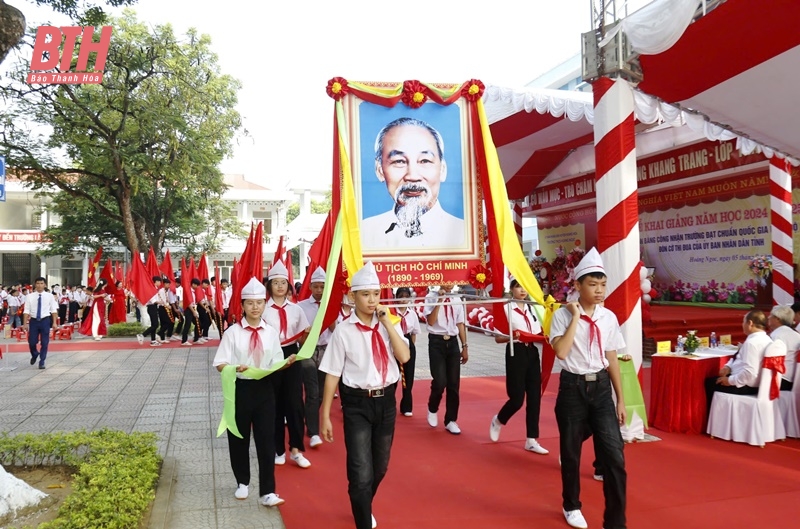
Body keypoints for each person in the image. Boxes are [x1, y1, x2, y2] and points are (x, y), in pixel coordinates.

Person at [320, 261, 410, 529]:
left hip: (386, 402)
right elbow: (333, 373)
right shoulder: (344, 331)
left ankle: (363, 503)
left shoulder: (388, 324)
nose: (372, 300)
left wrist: (388, 323)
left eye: (376, 294)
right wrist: (324, 414)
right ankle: (362, 516)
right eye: (365, 294)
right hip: (357, 403)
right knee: (360, 472)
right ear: (353, 297)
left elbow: (404, 356)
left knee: (379, 467)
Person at [549, 248, 627, 529]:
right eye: (592, 285)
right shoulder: (561, 315)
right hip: (573, 388)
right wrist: (574, 317)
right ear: (578, 285)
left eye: (603, 284)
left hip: (602, 387)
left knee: (614, 455)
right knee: (571, 453)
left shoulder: (609, 318)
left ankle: (616, 521)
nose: (599, 290)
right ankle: (571, 505)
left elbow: (613, 358)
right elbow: (561, 351)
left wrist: (621, 400)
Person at [212, 276, 295, 507]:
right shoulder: (232, 333)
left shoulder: (270, 332)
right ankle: (242, 482)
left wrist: (285, 363)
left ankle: (268, 491)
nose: (255, 307)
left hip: (265, 389)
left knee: (266, 440)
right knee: (238, 437)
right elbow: (219, 363)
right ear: (242, 306)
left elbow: (276, 361)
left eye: (259, 302)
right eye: (250, 303)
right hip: (240, 388)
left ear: (264, 304)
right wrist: (233, 367)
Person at [361, 117, 465, 250]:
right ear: (379, 170)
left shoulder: (467, 233)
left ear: (442, 170)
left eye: (425, 161)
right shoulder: (362, 234)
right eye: (399, 161)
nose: (413, 176)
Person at [489, 278, 549, 454]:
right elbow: (497, 337)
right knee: (516, 399)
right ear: (512, 289)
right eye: (518, 287)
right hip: (516, 352)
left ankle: (531, 439)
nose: (523, 290)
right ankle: (499, 420)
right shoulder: (507, 309)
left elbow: (538, 332)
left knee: (534, 397)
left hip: (532, 352)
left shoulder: (532, 308)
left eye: (525, 286)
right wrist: (513, 336)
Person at [264, 260, 312, 468]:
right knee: (274, 405)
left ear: (289, 285)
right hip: (271, 357)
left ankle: (295, 449)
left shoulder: (296, 310)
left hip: (292, 355)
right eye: (276, 283)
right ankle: (278, 449)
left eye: (284, 282)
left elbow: (302, 338)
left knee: (294, 404)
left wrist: (308, 337)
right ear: (270, 286)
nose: (280, 286)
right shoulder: (263, 310)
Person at [705, 310, 773, 415]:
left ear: (750, 323)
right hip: (757, 383)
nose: (742, 325)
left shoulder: (752, 343)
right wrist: (728, 367)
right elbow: (738, 356)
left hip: (747, 385)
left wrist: (730, 380)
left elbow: (750, 373)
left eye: (743, 322)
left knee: (709, 383)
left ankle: (712, 418)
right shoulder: (767, 339)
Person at [424, 283, 468, 434]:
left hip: (453, 342)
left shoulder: (457, 299)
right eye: (446, 282)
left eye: (452, 282)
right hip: (436, 341)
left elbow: (460, 324)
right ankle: (432, 407)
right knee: (440, 380)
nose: (449, 285)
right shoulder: (430, 297)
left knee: (454, 383)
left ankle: (451, 420)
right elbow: (430, 321)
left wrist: (465, 346)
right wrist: (440, 300)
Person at [297, 266, 332, 448]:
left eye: (323, 287)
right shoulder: (301, 307)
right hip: (307, 350)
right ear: (310, 287)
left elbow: (337, 330)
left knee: (320, 394)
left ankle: (306, 416)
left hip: (326, 350)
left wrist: (331, 315)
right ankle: (313, 432)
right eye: (316, 287)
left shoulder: (331, 306)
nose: (319, 290)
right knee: (312, 391)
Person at [392, 287, 421, 417]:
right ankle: (389, 404)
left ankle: (407, 406)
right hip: (394, 340)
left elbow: (414, 333)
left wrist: (410, 347)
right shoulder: (392, 312)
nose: (403, 299)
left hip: (407, 341)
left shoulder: (412, 313)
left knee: (408, 376)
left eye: (406, 296)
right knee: (392, 375)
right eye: (400, 296)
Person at [23, 277, 60, 369]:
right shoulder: (29, 296)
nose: (39, 285)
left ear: (45, 285)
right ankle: (35, 353)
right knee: (32, 341)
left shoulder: (49, 296)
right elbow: (26, 310)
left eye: (41, 283)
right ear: (35, 285)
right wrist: (25, 324)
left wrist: (55, 323)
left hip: (45, 320)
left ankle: (42, 361)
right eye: (38, 283)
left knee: (44, 342)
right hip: (34, 321)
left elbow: (53, 310)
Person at [767, 305, 800, 391]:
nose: (768, 317)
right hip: (794, 379)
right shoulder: (796, 334)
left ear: (778, 319)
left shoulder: (777, 335)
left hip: (781, 379)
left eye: (771, 315)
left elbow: (766, 359)